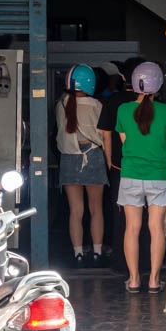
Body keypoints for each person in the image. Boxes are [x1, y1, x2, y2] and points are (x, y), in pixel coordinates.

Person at [114, 61, 166, 293]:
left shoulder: (122, 110)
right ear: (158, 85)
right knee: (156, 228)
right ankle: (153, 280)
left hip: (131, 174)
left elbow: (123, 140)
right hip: (159, 176)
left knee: (132, 228)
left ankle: (133, 280)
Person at [55, 64, 109, 268]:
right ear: (90, 82)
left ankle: (77, 253)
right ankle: (96, 251)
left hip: (69, 159)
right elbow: (105, 134)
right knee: (96, 209)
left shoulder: (60, 104)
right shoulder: (96, 105)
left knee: (75, 211)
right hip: (93, 156)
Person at [97, 57, 146, 274]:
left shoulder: (115, 101)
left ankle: (122, 265)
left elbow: (106, 135)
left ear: (124, 76)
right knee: (147, 219)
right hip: (149, 167)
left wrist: (110, 163)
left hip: (120, 167)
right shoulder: (149, 102)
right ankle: (145, 267)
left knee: (121, 218)